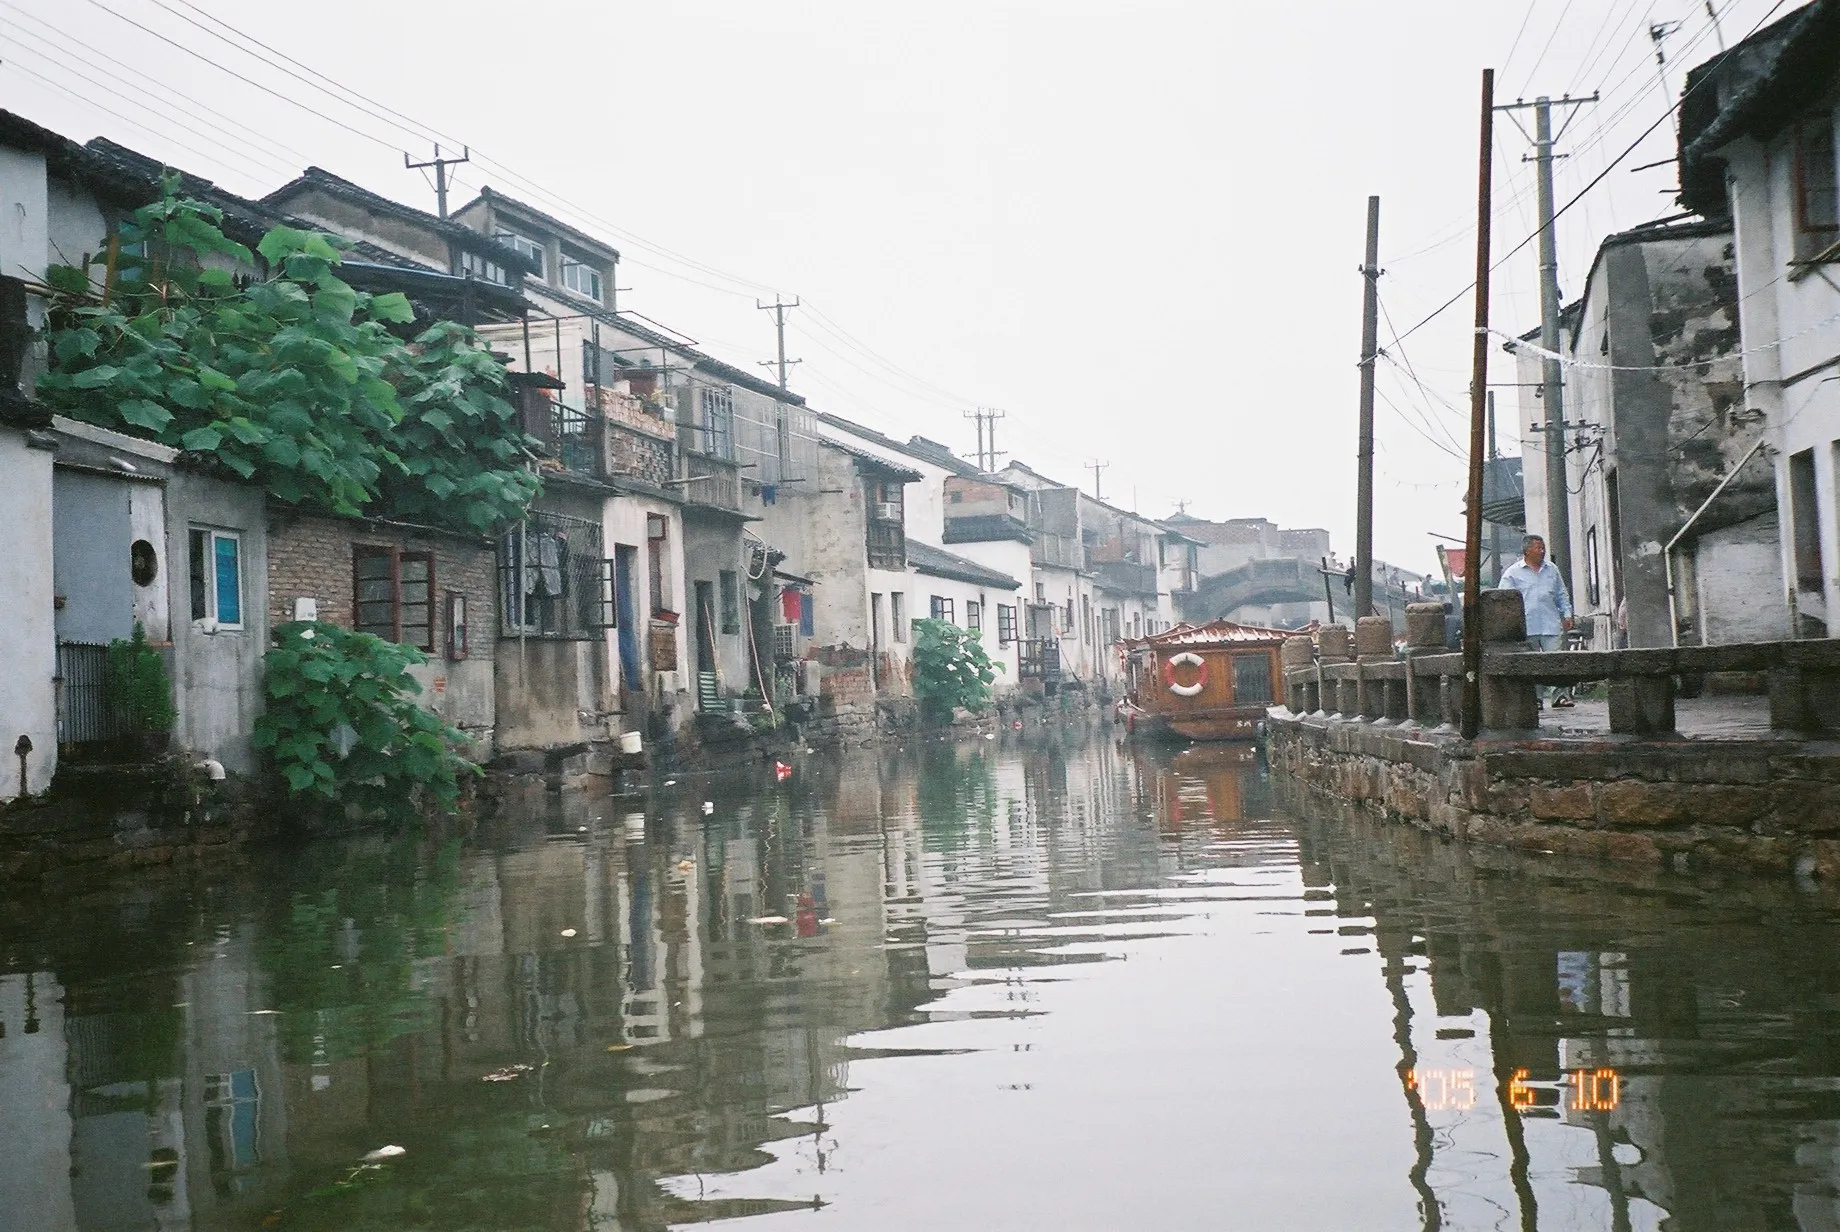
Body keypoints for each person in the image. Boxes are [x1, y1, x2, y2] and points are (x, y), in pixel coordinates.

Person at [1498, 533, 1575, 708]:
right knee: (1531, 663)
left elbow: (1561, 594)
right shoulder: (1512, 573)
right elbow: (1504, 600)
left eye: (1543, 548)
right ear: (1526, 551)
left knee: (1556, 661)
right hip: (1526, 625)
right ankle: (1535, 699)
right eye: (1538, 548)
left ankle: (1560, 696)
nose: (1542, 551)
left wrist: (1567, 614)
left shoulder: (1552, 569)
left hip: (1550, 623)